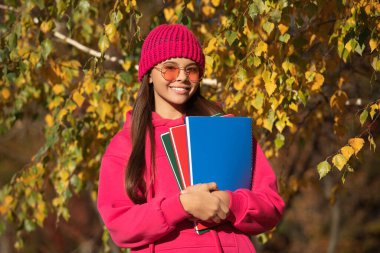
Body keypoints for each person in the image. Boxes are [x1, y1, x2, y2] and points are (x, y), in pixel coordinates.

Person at [97, 24, 285, 253]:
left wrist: (231, 203)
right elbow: (120, 225)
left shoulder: (226, 130)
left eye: (191, 70)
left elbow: (271, 205)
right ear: (148, 76)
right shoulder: (127, 143)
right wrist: (181, 206)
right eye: (170, 69)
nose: (182, 78)